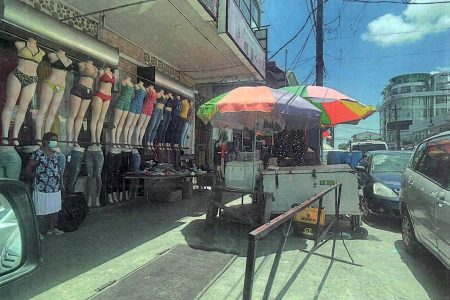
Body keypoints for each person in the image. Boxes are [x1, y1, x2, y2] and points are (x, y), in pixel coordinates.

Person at [26, 132, 64, 238]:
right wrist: (34, 179)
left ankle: (52, 228)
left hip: (55, 186)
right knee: (39, 210)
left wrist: (61, 183)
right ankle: (37, 231)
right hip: (41, 186)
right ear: (46, 141)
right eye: (53, 140)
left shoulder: (56, 154)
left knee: (54, 208)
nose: (55, 142)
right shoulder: (38, 153)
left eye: (56, 140)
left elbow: (58, 170)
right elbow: (29, 168)